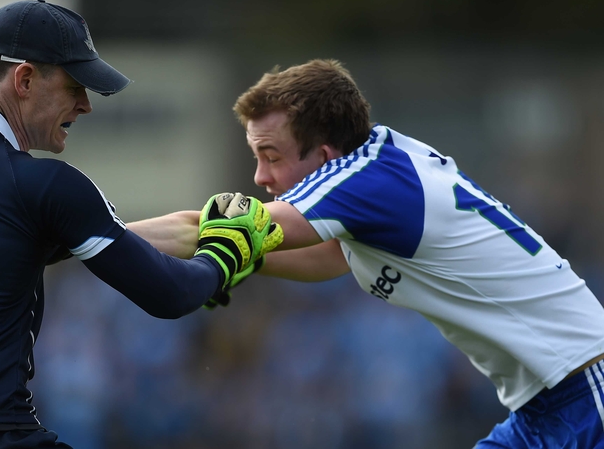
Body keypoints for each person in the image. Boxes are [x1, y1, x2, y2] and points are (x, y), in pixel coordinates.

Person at [0, 1, 282, 448]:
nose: (85, 105)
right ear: (24, 78)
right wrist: (225, 251)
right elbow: (169, 293)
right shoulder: (40, 184)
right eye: (75, 86)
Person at [129, 59, 604, 447]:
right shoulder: (378, 171)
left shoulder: (365, 179)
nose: (259, 177)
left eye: (271, 155)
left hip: (586, 393)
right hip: (549, 405)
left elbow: (220, 224)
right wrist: (242, 261)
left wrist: (79, 233)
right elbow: (328, 259)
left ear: (326, 155)